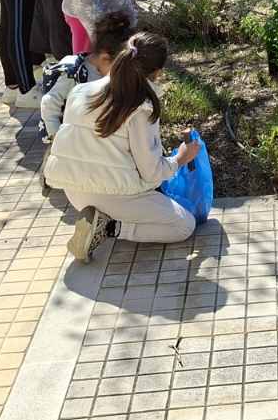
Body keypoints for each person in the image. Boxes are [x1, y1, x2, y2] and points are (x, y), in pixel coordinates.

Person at [44, 32, 200, 263]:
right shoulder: (141, 106)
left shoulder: (80, 91)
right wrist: (181, 158)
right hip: (112, 195)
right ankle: (109, 227)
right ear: (158, 72)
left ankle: (100, 220)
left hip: (74, 193)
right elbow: (151, 172)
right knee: (184, 225)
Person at [38, 10, 134, 146]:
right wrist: (58, 139)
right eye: (119, 65)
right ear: (105, 57)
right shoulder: (74, 72)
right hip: (70, 143)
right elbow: (49, 103)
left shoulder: (103, 71)